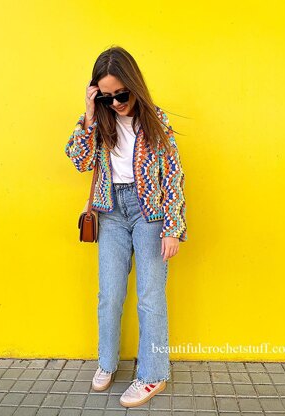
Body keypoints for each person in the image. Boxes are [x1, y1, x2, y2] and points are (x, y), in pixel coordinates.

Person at [65, 46, 187, 408]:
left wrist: (172, 226)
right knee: (109, 294)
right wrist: (89, 113)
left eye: (121, 93)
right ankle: (107, 362)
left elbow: (175, 175)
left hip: (149, 212)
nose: (116, 102)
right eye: (107, 95)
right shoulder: (98, 121)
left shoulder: (156, 120)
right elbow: (79, 160)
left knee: (151, 297)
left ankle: (152, 375)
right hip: (111, 212)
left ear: (134, 85)